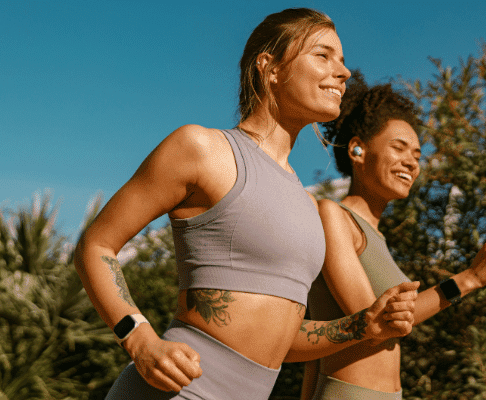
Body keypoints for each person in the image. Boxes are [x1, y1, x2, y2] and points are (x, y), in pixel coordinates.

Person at [73, 9, 421, 399]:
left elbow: (280, 337)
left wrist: (363, 324)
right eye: (323, 56)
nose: (344, 72)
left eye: (341, 60)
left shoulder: (308, 204)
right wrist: (140, 340)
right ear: (269, 67)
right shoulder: (202, 149)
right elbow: (96, 245)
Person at [301, 74, 486, 400]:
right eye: (399, 148)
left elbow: (387, 322)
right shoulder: (334, 215)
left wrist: (472, 279)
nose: (411, 163)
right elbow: (376, 322)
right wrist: (470, 278)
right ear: (357, 150)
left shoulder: (375, 235)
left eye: (417, 155)